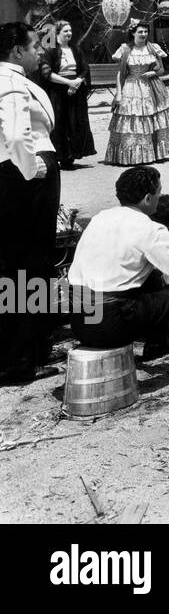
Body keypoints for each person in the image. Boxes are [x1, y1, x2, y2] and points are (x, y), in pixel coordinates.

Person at [68, 165, 169, 358]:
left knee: (149, 276)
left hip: (81, 323)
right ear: (148, 199)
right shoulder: (146, 228)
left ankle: (158, 344)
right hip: (112, 325)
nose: (159, 197)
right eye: (159, 192)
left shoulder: (100, 218)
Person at [0, 23, 60, 383]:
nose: (40, 51)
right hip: (25, 177)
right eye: (35, 45)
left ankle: (18, 350)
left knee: (13, 264)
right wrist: (31, 167)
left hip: (11, 176)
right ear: (16, 51)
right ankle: (22, 358)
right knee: (31, 263)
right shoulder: (10, 81)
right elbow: (15, 133)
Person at [105, 22, 169, 164]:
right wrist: (119, 94)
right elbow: (120, 73)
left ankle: (154, 154)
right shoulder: (125, 49)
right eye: (140, 32)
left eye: (145, 31)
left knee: (152, 117)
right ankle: (131, 155)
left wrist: (152, 72)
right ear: (133, 33)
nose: (144, 34)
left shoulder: (153, 48)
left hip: (150, 87)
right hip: (130, 87)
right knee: (132, 118)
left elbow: (161, 70)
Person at [39, 20, 95, 169]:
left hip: (75, 91)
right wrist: (68, 83)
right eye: (65, 31)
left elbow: (84, 68)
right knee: (60, 124)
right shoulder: (50, 50)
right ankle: (62, 157)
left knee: (75, 123)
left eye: (70, 31)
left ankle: (72, 156)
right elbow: (47, 73)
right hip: (58, 92)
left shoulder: (75, 50)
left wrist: (76, 82)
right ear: (57, 33)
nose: (69, 33)